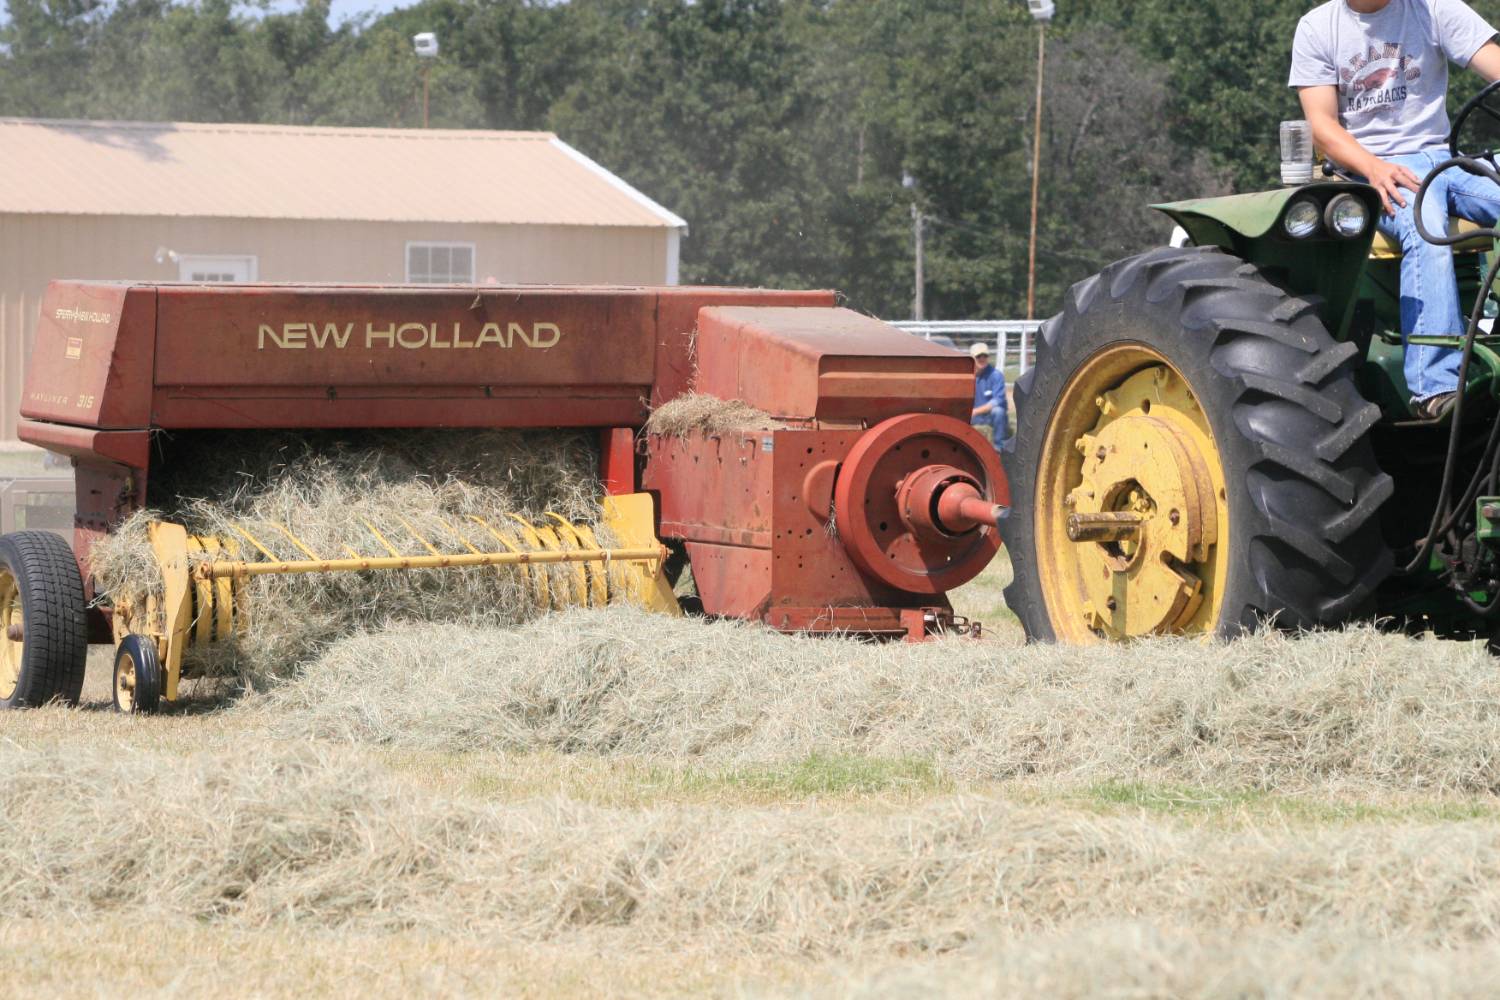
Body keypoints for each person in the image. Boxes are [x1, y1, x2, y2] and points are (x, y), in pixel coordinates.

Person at [1290, 0, 1500, 419]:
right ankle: (1435, 386)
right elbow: (1322, 127)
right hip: (1370, 168)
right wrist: (1373, 167)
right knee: (1426, 226)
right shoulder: (1318, 27)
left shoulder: (1433, 7)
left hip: (1444, 157)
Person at [970, 342, 1007, 449]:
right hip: (973, 416)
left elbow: (998, 400)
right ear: (972, 358)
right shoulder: (967, 376)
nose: (982, 359)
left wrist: (975, 411)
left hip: (988, 416)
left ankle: (998, 447)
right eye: (978, 356)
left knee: (999, 411)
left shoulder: (996, 375)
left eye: (985, 356)